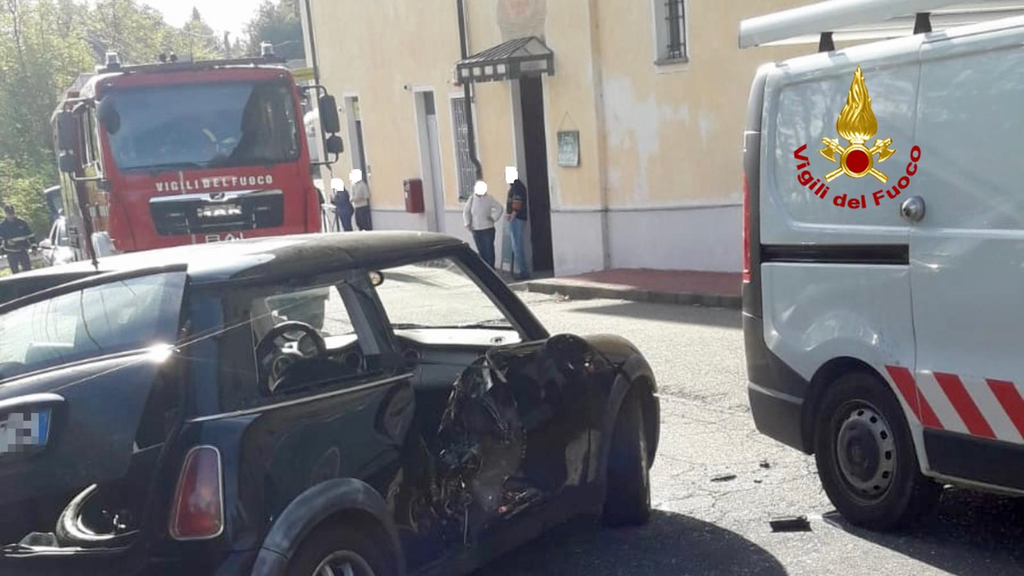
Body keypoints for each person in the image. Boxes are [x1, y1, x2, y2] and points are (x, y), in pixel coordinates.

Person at [463, 179, 504, 268]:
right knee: (481, 252)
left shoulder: (489, 198)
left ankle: (491, 269)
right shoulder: (472, 199)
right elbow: (466, 212)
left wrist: (494, 217)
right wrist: (468, 223)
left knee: (489, 251)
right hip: (476, 230)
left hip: (488, 228)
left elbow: (500, 208)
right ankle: (484, 269)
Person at [504, 166, 530, 280]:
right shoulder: (516, 186)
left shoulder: (517, 187)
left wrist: (512, 214)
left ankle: (523, 272)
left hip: (517, 219)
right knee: (517, 245)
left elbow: (517, 202)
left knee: (517, 245)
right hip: (516, 218)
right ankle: (522, 270)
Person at [0, 205, 37, 275]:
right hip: (10, 252)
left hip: (22, 250)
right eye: (9, 214)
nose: (11, 216)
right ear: (5, 213)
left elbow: (30, 235)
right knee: (15, 272)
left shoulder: (21, 223)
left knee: (28, 271)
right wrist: (6, 244)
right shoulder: (2, 226)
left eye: (12, 213)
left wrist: (34, 248)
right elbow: (0, 240)